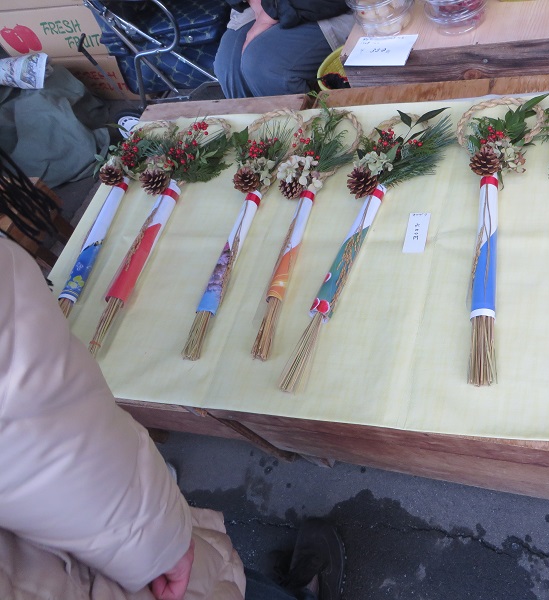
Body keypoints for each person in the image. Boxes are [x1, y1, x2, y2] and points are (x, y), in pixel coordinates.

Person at [0, 149, 344, 600]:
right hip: (100, 565)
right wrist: (152, 540)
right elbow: (33, 426)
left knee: (228, 583)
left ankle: (280, 588)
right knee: (213, 581)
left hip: (48, 559)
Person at [214, 0, 353, 98]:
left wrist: (272, 10)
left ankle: (305, 128)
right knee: (229, 66)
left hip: (329, 6)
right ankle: (256, 129)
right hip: (256, 5)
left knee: (263, 65)